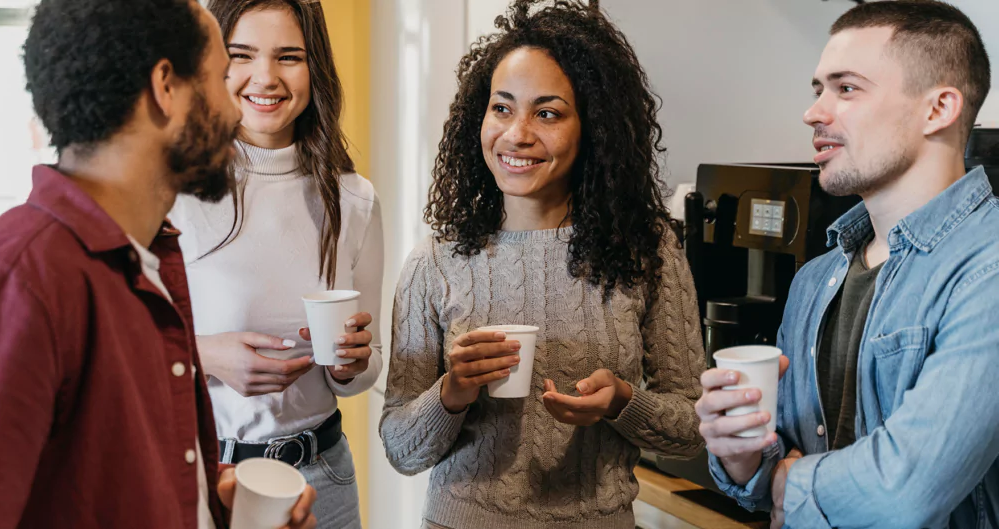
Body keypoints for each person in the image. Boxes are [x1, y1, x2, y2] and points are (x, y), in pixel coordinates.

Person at [0, 0, 317, 528]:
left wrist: (208, 507)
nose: (233, 110)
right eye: (221, 76)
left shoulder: (152, 255)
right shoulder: (23, 276)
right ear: (165, 88)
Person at [380, 1, 706, 528]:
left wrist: (624, 402)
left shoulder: (647, 253)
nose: (518, 134)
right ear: (478, 117)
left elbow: (690, 427)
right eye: (502, 108)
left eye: (547, 112)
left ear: (592, 127)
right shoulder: (435, 262)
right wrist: (452, 392)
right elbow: (402, 449)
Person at [696, 2, 996, 528]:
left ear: (938, 108)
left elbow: (906, 491)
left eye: (847, 88)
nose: (814, 113)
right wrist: (739, 455)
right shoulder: (816, 279)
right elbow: (771, 470)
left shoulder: (987, 271)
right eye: (818, 89)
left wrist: (790, 480)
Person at [168, 0, 383, 526]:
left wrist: (352, 364)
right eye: (242, 55)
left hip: (325, 477)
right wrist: (207, 357)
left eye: (289, 57)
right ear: (213, 65)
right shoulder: (173, 191)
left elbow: (369, 366)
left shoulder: (353, 198)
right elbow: (127, 353)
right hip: (210, 477)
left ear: (316, 70)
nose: (265, 77)